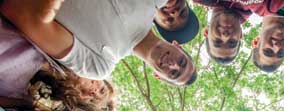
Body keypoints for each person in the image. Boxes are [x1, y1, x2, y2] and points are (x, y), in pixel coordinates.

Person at [0, 0, 197, 86]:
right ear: (178, 46)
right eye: (181, 62)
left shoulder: (99, 65)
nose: (172, 64)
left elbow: (23, 15)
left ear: (158, 77)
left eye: (173, 73)